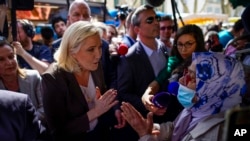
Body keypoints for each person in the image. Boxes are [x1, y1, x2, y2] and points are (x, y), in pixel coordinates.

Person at [121, 52, 246, 141]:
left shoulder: (215, 132)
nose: (181, 80)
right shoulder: (198, 108)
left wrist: (145, 135)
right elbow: (175, 128)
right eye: (186, 72)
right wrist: (152, 128)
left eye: (191, 77)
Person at [41, 21, 124, 141]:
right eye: (91, 49)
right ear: (72, 51)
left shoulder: (95, 65)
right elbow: (58, 131)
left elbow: (103, 96)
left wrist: (115, 110)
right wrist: (95, 112)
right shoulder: (53, 78)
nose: (98, 55)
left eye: (99, 47)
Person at [116, 4, 169, 141]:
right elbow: (124, 93)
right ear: (137, 29)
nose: (156, 22)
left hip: (169, 120)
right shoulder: (129, 58)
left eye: (157, 18)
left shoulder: (164, 48)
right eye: (150, 20)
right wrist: (148, 105)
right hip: (144, 126)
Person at [142, 24, 207, 115]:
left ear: (199, 43)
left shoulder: (207, 66)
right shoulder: (175, 61)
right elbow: (159, 80)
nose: (183, 49)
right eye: (180, 44)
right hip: (170, 118)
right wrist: (146, 95)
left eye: (189, 44)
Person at [0, 36, 44, 121]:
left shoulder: (33, 78)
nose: (9, 62)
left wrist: (26, 125)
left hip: (35, 128)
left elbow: (44, 109)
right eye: (1, 59)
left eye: (11, 56)